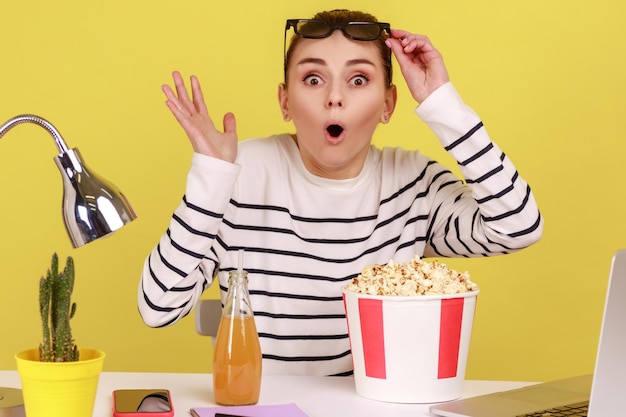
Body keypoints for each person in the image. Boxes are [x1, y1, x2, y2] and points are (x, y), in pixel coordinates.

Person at [138, 9, 543, 376]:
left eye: (359, 79)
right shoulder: (238, 177)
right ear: (285, 101)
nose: (335, 96)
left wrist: (441, 105)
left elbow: (518, 227)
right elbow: (157, 308)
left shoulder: (413, 184)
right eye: (313, 79)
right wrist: (211, 180)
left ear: (388, 104)